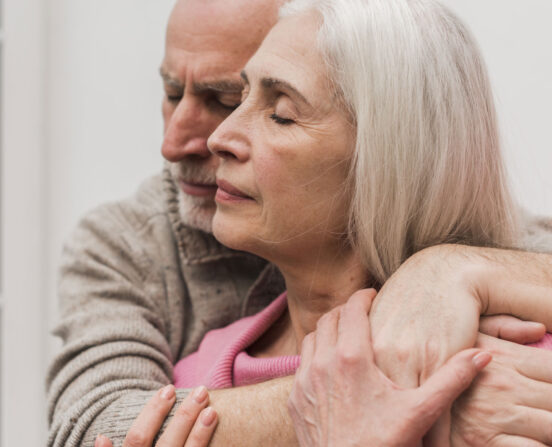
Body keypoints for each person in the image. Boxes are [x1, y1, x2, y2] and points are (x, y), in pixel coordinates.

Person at [46, 0, 552, 446]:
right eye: (173, 92)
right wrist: (386, 395)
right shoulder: (189, 371)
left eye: (278, 112)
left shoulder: (520, 372)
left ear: (391, 157)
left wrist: (448, 268)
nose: (207, 138)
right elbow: (100, 428)